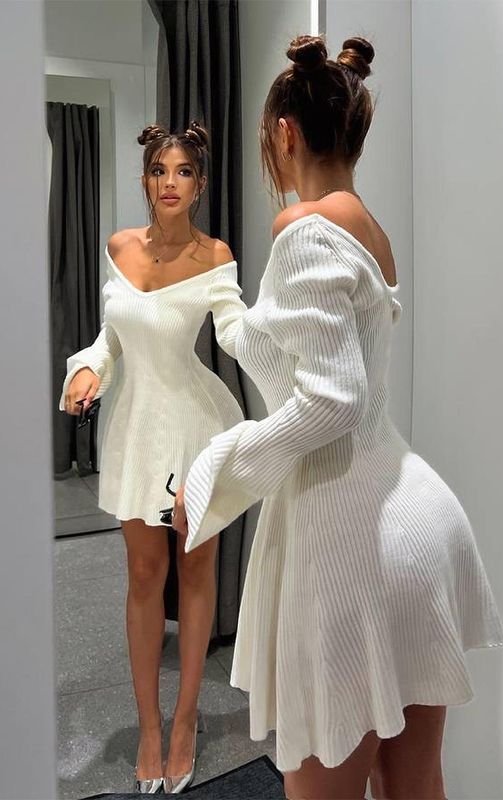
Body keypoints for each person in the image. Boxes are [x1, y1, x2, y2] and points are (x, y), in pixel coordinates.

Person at [173, 36, 503, 800]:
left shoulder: (303, 227)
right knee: (414, 785)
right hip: (416, 522)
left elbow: (330, 398)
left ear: (285, 133)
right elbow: (296, 361)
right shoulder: (368, 233)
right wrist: (222, 297)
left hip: (350, 544)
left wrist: (217, 467)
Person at [60, 122, 246, 794]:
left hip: (194, 430)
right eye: (160, 171)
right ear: (145, 180)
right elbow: (111, 338)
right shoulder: (119, 247)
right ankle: (148, 725)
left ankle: (187, 718)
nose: (171, 182)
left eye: (184, 172)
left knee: (195, 568)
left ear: (200, 186)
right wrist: (87, 368)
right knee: (143, 574)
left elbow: (237, 334)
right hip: (135, 430)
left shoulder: (215, 255)